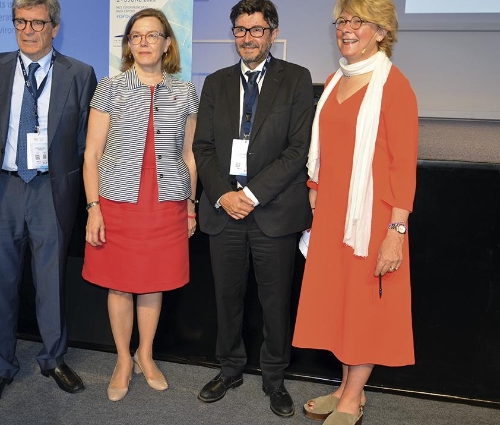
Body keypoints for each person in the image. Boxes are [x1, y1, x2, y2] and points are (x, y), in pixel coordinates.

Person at [292, 0, 418, 423]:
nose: (346, 28)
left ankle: (352, 398)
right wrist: (314, 190)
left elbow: (403, 165)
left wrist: (395, 231)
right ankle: (347, 389)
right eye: (342, 20)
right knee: (341, 304)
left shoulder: (394, 86)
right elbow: (324, 149)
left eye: (358, 21)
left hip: (372, 219)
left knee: (364, 308)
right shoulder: (333, 81)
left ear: (381, 32)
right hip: (332, 215)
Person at [0, 0, 97, 409]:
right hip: (4, 188)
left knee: (52, 283)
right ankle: (0, 366)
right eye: (20, 22)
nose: (28, 30)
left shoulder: (79, 73)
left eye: (37, 23)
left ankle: (53, 359)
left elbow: (82, 140)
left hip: (50, 191)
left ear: (54, 27)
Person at [193, 0, 314, 418]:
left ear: (273, 34)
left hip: (273, 211)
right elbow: (203, 147)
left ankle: (275, 379)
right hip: (223, 209)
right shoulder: (216, 82)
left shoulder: (297, 80)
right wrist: (225, 194)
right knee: (227, 298)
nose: (248, 37)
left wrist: (252, 195)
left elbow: (298, 149)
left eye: (257, 29)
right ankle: (229, 369)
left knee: (275, 301)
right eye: (240, 30)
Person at [81, 8, 199, 402]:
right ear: (128, 45)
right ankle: (122, 360)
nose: (144, 42)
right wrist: (93, 207)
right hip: (117, 201)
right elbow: (92, 153)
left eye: (153, 35)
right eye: (136, 36)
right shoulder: (109, 88)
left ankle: (145, 355)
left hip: (166, 201)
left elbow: (189, 154)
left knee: (153, 283)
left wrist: (191, 206)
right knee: (119, 284)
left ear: (167, 43)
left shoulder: (185, 92)